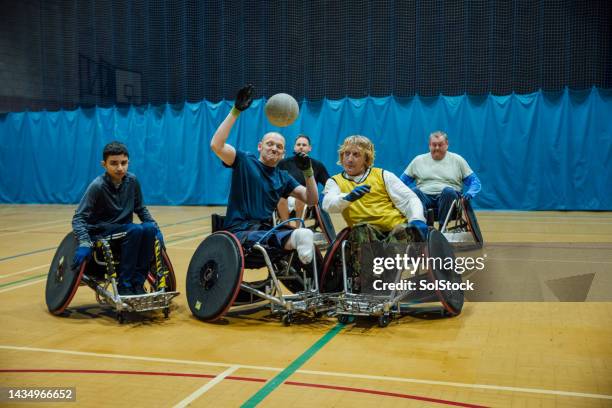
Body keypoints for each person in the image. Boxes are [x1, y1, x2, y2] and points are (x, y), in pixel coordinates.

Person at [210, 84, 319, 264]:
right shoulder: (245, 160)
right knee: (294, 236)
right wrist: (236, 111)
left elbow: (312, 199)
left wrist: (308, 172)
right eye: (270, 144)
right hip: (239, 234)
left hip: (267, 232)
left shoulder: (283, 177)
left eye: (279, 147)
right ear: (260, 146)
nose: (274, 148)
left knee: (301, 238)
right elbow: (217, 145)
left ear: (283, 154)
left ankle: (327, 285)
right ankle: (299, 237)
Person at [72, 141, 164, 296]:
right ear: (104, 164)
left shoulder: (132, 181)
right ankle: (124, 285)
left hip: (126, 231)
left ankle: (137, 283)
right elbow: (78, 218)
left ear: (129, 162)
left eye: (124, 163)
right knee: (135, 229)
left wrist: (157, 229)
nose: (120, 168)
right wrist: (84, 242)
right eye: (114, 163)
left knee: (148, 229)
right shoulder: (97, 186)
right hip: (103, 233)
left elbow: (141, 209)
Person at [322, 135, 427, 239]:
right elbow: (328, 204)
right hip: (366, 235)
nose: (349, 159)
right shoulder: (334, 182)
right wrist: (347, 198)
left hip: (394, 229)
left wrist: (417, 219)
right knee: (361, 229)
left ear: (366, 158)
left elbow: (409, 199)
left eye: (356, 155)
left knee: (404, 231)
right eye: (347, 153)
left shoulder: (383, 175)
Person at [400, 130, 481, 227]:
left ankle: (442, 228)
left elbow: (475, 182)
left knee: (448, 191)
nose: (437, 148)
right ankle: (424, 227)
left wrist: (470, 194)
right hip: (425, 197)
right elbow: (400, 183)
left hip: (450, 199)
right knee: (415, 192)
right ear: (429, 145)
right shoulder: (418, 161)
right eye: (434, 145)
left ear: (447, 144)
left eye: (440, 145)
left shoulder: (458, 160)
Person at [277, 134, 330, 224]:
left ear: (310, 148)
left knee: (301, 197)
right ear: (294, 147)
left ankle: (298, 228)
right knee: (281, 197)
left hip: (307, 202)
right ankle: (286, 227)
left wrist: (323, 197)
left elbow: (329, 184)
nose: (301, 147)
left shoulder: (317, 165)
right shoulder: (283, 163)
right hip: (285, 200)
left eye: (304, 145)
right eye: (298, 145)